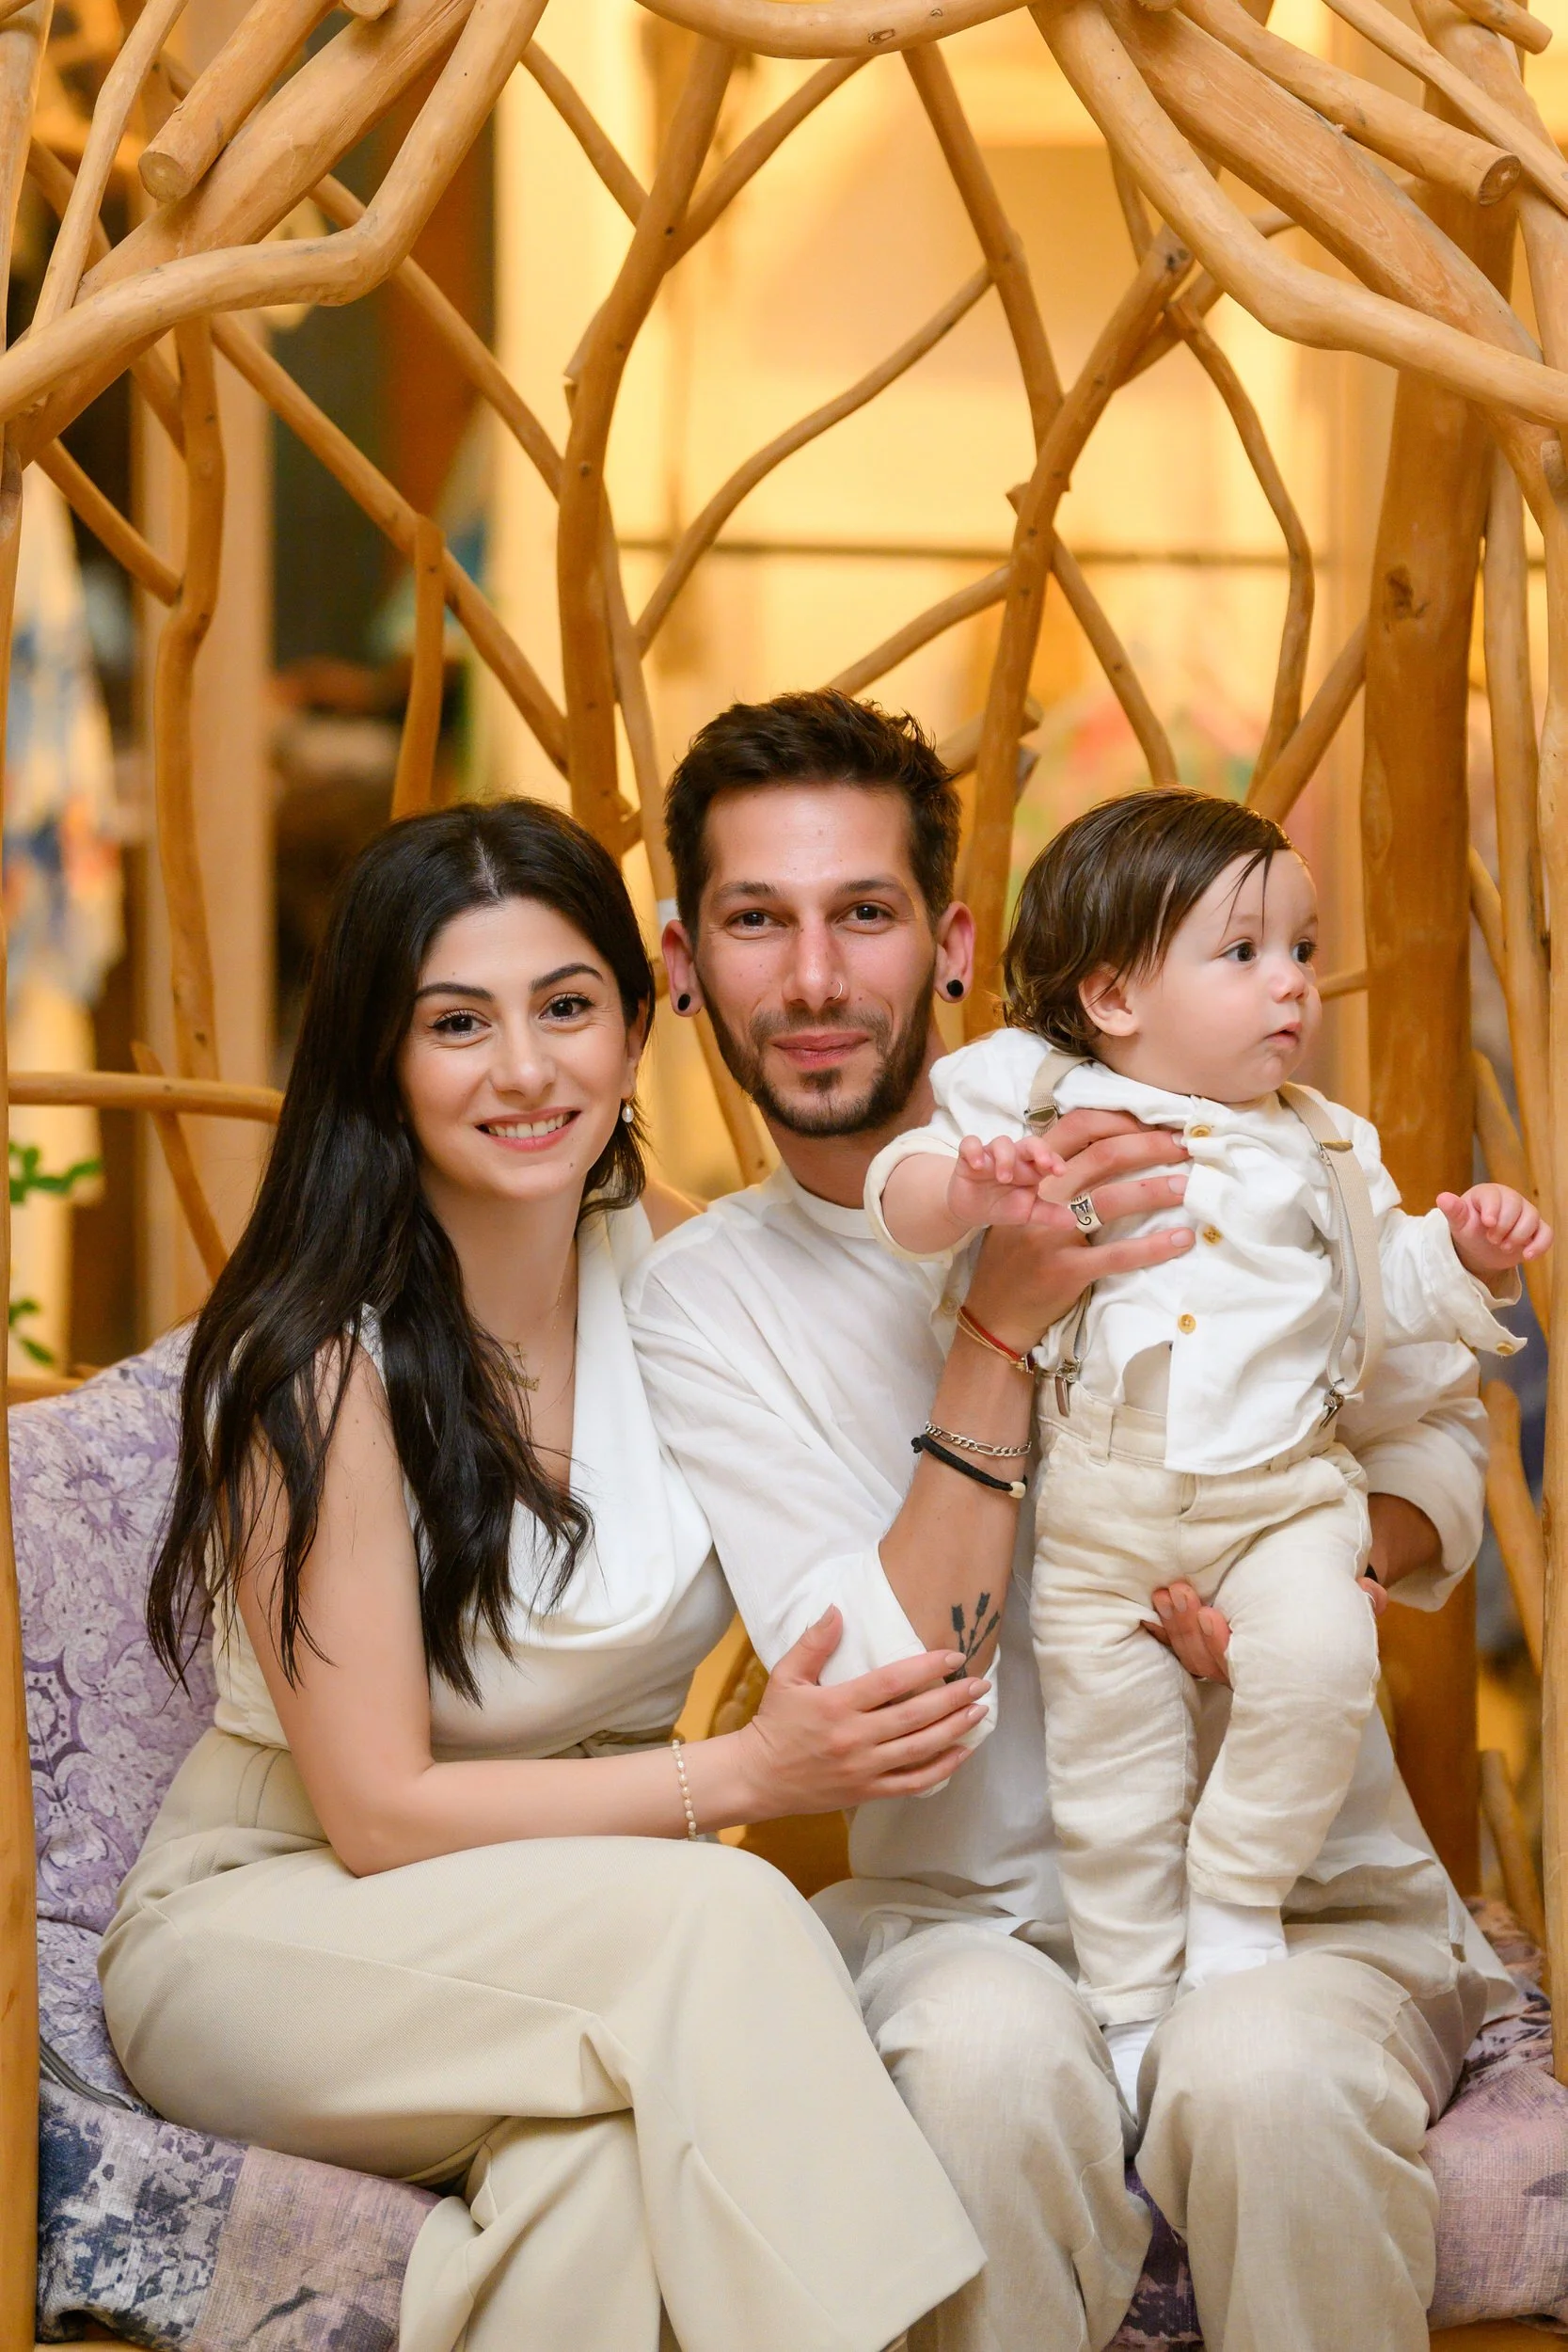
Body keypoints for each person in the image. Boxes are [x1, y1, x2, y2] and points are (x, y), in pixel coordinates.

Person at [626, 690, 1517, 2352]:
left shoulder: (1210, 1141)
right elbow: (890, 1695)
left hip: (1306, 1891)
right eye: (757, 921)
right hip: (964, 1915)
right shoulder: (706, 1301)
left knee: (1265, 2080)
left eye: (864, 914)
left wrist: (1339, 1552)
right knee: (976, 2072)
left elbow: (1422, 1422)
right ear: (684, 961)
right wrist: (998, 1330)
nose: (814, 979)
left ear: (951, 941)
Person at [98, 800, 988, 2352]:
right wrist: (748, 1770)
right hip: (286, 1919)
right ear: (381, 1051)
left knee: (593, 2185)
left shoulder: (694, 1283)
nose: (524, 1071)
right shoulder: (320, 1364)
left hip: (569, 1934)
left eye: (566, 1009)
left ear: (641, 1024)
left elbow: (877, 1554)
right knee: (724, 1923)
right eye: (458, 1022)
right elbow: (377, 1815)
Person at [863, 786, 1544, 2108]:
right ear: (1112, 995)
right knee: (1108, 1765)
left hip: (1284, 1506)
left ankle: (1236, 1901)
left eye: (1297, 949)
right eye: (1241, 954)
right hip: (1104, 1521)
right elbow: (908, 1185)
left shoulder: (1327, 1151)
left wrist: (1457, 1255)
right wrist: (974, 1189)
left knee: (1318, 1666)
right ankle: (1126, 2010)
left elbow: (1387, 1312)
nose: (1290, 985)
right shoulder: (1033, 1089)